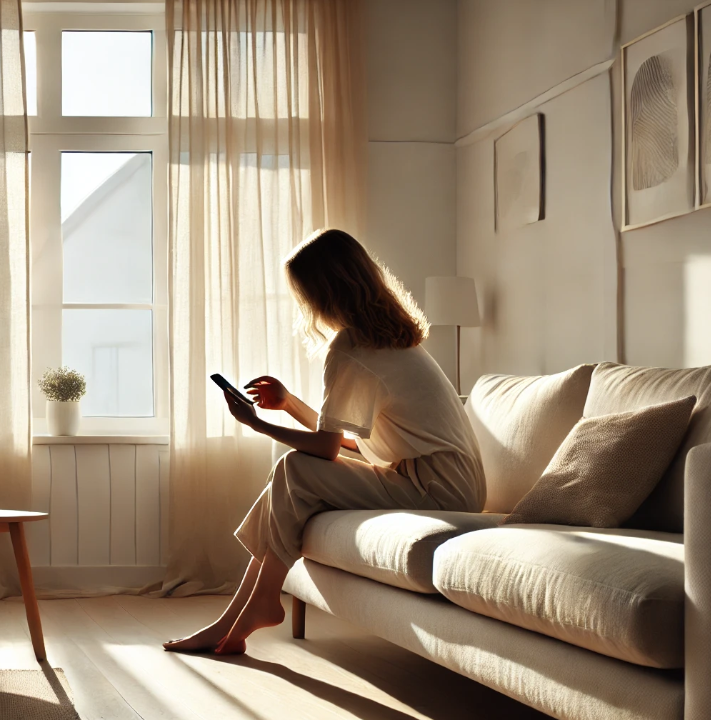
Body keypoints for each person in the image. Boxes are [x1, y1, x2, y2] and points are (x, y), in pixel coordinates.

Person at [163, 228, 486, 655]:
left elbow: (326, 448)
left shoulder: (352, 346)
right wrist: (289, 404)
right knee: (289, 478)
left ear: (323, 292)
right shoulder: (388, 339)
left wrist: (258, 424)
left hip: (438, 487)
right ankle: (232, 620)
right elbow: (347, 442)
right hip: (447, 480)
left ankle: (257, 605)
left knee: (294, 468)